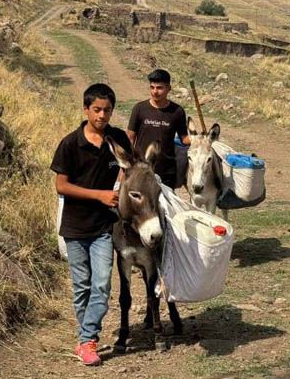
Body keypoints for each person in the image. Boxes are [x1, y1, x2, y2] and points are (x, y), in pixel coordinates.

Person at [50, 83, 131, 366]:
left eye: (107, 110)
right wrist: (99, 195)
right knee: (82, 286)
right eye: (96, 110)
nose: (102, 115)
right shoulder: (70, 144)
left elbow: (128, 167)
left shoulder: (117, 138)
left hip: (103, 228)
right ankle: (85, 338)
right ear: (86, 110)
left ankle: (87, 340)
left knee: (101, 285)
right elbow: (61, 186)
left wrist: (122, 184)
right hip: (74, 226)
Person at [127, 69, 191, 189]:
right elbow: (130, 137)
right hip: (142, 169)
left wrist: (201, 139)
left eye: (159, 88)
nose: (155, 91)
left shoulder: (177, 111)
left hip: (167, 170)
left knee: (165, 206)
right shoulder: (139, 109)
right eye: (152, 87)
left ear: (169, 88)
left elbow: (184, 139)